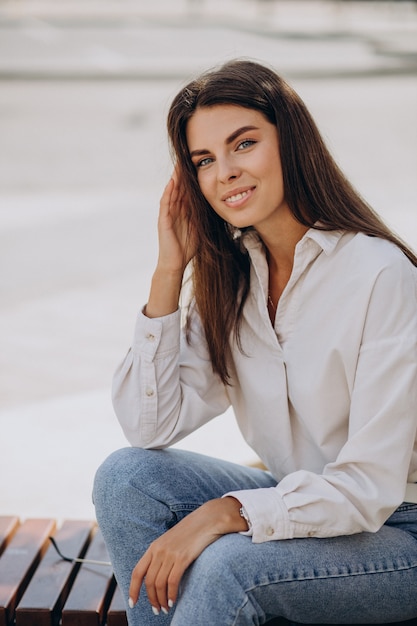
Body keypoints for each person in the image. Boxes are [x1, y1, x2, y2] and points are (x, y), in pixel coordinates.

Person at [93, 59, 417, 625]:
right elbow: (149, 428)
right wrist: (169, 271)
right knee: (127, 478)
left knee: (226, 567)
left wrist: (226, 513)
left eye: (243, 144)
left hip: (398, 530)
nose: (226, 172)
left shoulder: (380, 274)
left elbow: (368, 489)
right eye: (204, 161)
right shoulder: (235, 278)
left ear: (290, 142)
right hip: (305, 499)